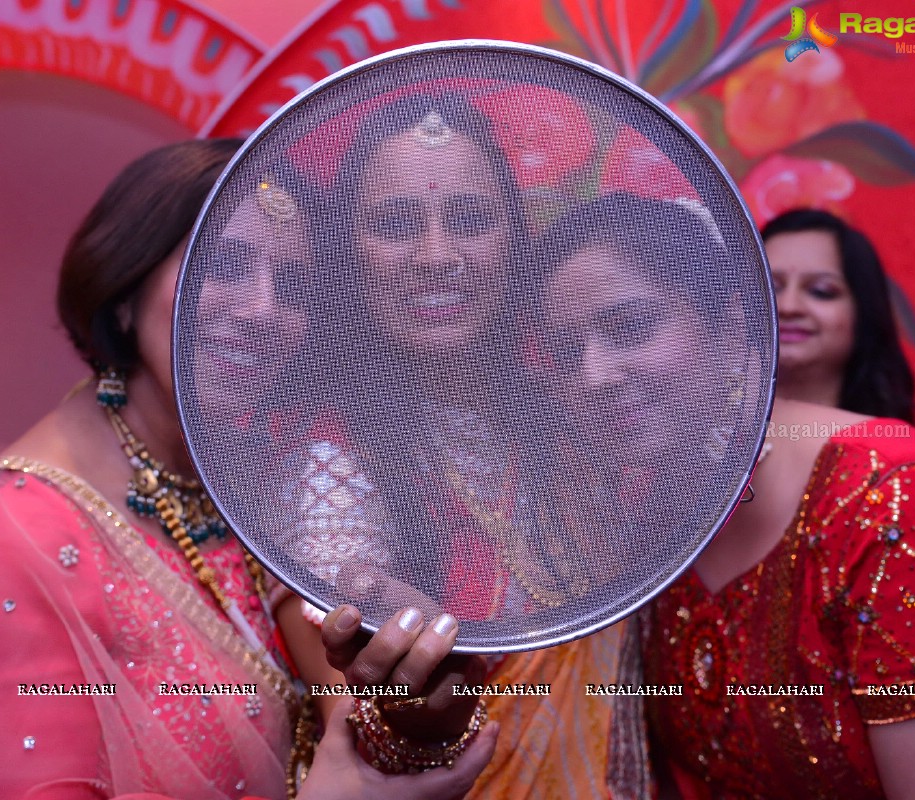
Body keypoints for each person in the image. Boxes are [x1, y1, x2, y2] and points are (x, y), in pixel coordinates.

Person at [0, 140, 495, 800]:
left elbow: (346, 747)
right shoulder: (11, 538)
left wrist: (420, 719)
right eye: (224, 267)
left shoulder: (246, 487)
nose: (262, 309)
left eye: (294, 286)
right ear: (124, 293)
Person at [531, 199, 915, 798]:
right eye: (564, 350)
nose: (594, 374)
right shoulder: (651, 512)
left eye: (631, 327)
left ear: (734, 320)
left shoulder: (902, 501)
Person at [269, 95, 652, 800]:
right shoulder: (333, 468)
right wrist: (422, 714)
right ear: (348, 254)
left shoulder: (570, 407)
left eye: (471, 220)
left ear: (515, 239)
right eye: (394, 225)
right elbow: (360, 744)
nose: (438, 257)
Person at [762, 208, 915, 424]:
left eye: (821, 291)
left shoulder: (901, 453)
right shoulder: (702, 445)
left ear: (863, 313)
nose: (788, 307)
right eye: (769, 288)